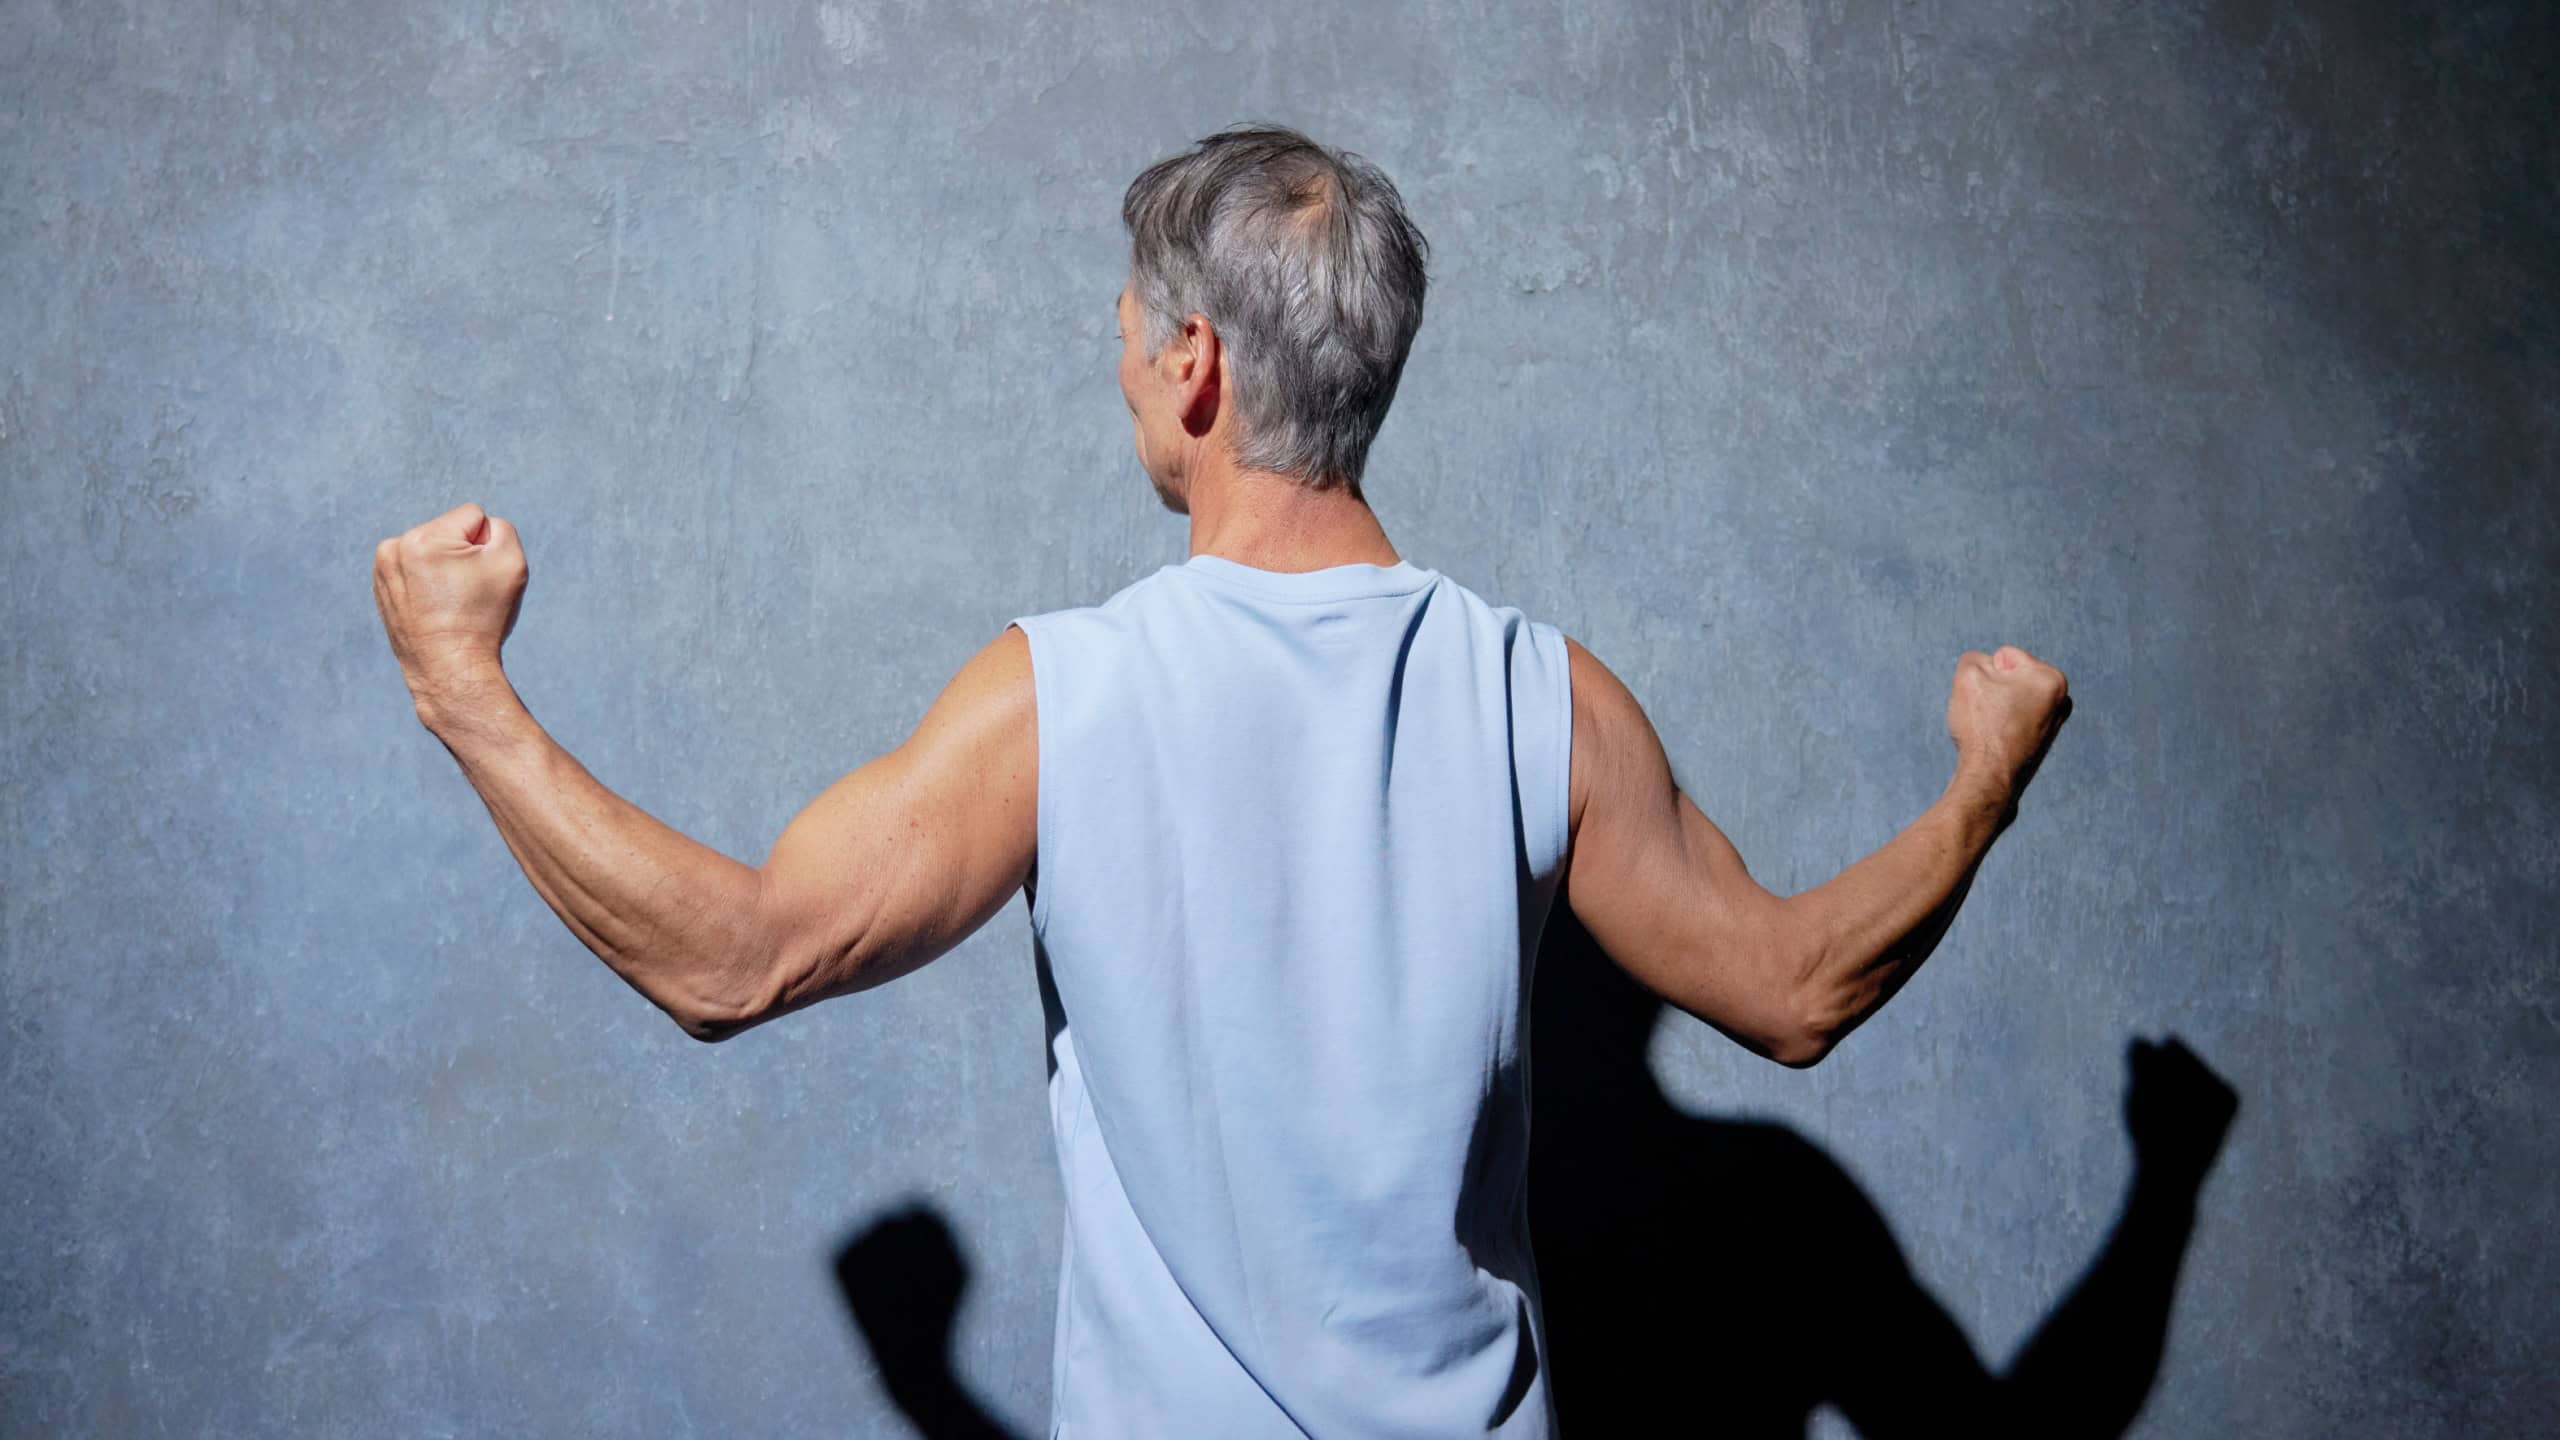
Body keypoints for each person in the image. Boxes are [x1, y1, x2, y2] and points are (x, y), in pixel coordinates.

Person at [371, 122, 2071, 1438]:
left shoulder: (1070, 696)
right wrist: (1977, 790)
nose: (1116, 367)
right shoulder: (1539, 698)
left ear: (1194, 363)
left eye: (1123, 332)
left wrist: (468, 692)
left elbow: (728, 957)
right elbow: (1793, 987)